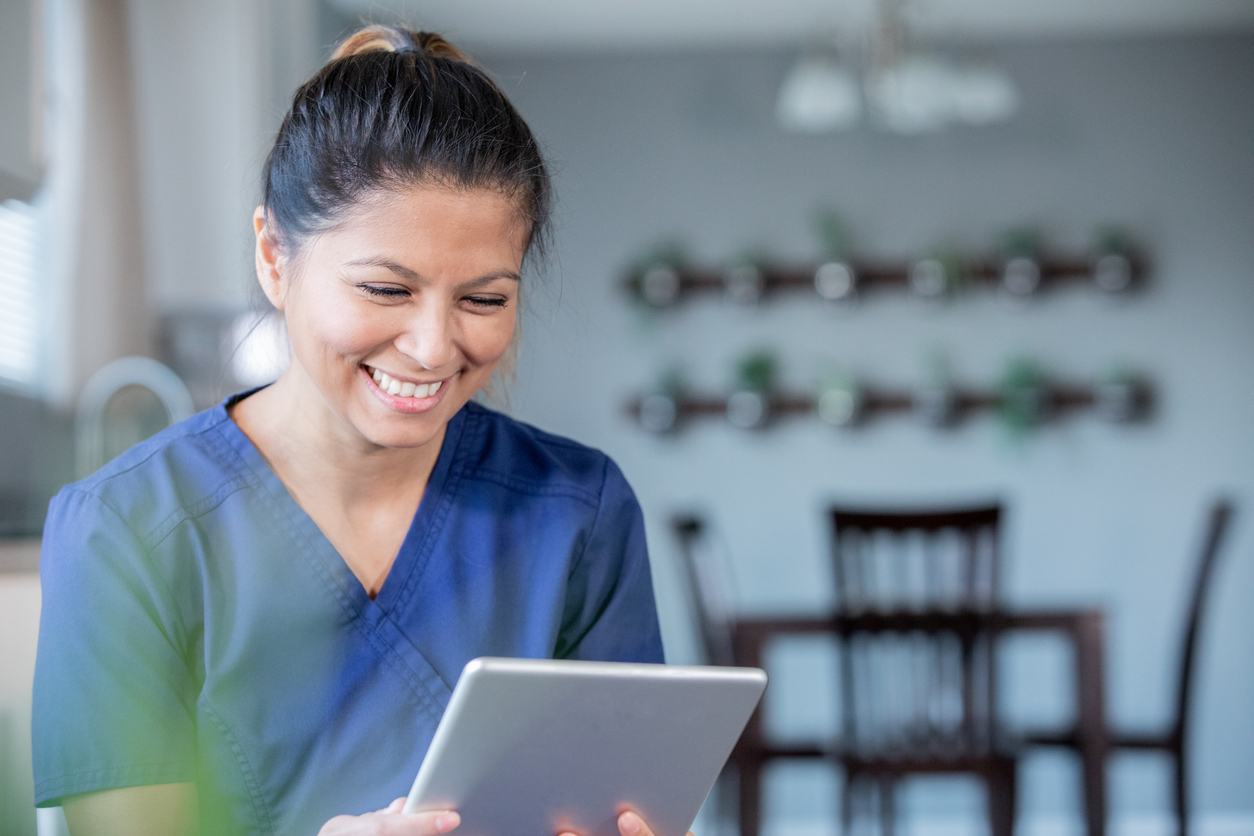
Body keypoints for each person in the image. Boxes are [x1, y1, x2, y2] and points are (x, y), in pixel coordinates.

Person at [32, 25, 667, 836]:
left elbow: (619, 801)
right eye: (384, 289)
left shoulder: (579, 509)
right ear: (273, 254)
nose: (435, 346)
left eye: (483, 299)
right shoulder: (126, 532)